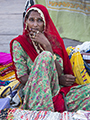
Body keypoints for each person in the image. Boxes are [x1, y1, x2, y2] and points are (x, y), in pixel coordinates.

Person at [10, 4, 90, 112]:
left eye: (39, 20)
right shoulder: (19, 43)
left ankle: (58, 106)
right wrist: (54, 79)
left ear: (45, 23)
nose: (35, 25)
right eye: (31, 20)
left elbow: (60, 71)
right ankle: (42, 112)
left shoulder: (53, 41)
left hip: (57, 90)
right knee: (45, 57)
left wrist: (47, 46)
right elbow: (23, 78)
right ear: (26, 22)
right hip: (35, 93)